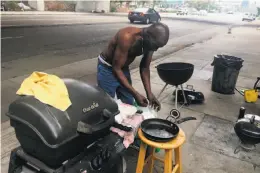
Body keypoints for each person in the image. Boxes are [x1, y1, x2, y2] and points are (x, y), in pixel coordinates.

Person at [97, 22, 169, 111]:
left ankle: (124, 123)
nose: (156, 49)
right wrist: (136, 94)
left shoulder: (150, 43)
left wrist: (149, 93)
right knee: (107, 105)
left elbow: (144, 68)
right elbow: (116, 69)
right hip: (107, 68)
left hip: (123, 69)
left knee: (128, 103)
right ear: (147, 36)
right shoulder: (127, 37)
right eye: (156, 46)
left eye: (159, 47)